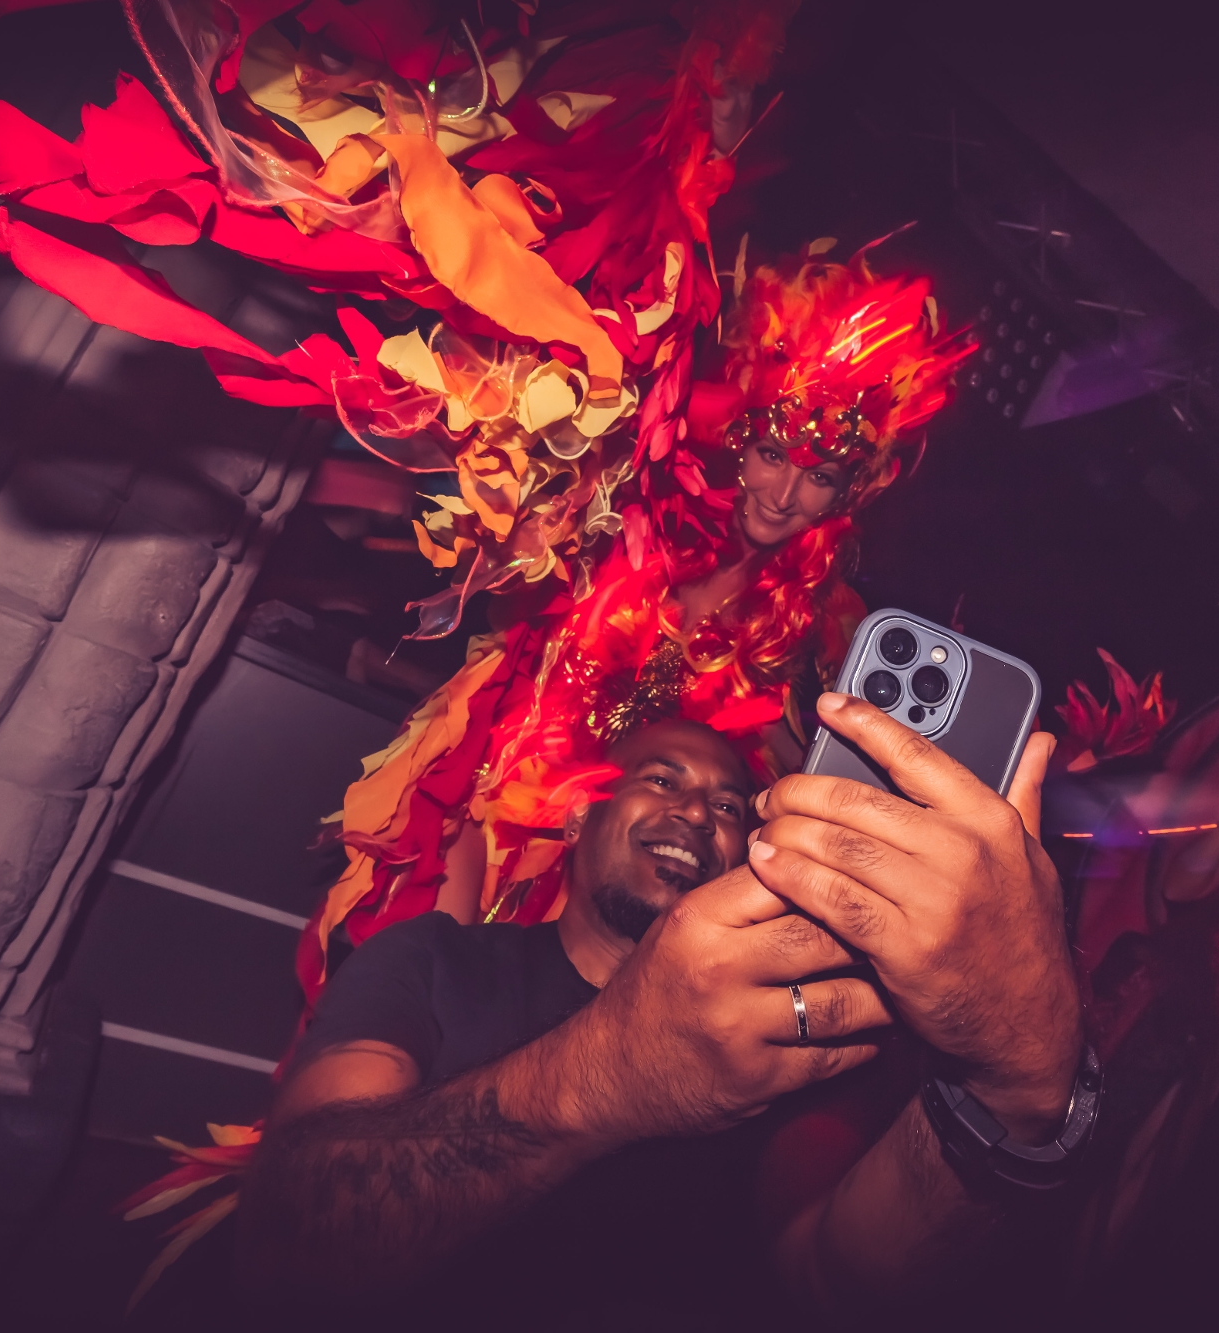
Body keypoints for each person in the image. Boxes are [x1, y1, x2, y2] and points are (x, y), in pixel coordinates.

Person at [238, 696, 1086, 1327]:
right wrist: (608, 1076)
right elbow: (287, 1232)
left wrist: (1011, 1090)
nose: (696, 814)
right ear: (581, 812)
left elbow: (839, 1278)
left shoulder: (793, 1029)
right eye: (661, 779)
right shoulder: (436, 963)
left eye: (728, 806)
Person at [303, 250, 975, 1006]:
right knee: (405, 994)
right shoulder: (629, 507)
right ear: (741, 440)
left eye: (819, 477)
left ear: (847, 493)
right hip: (489, 795)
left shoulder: (821, 628)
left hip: (615, 876)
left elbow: (794, 791)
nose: (784, 494)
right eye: (772, 455)